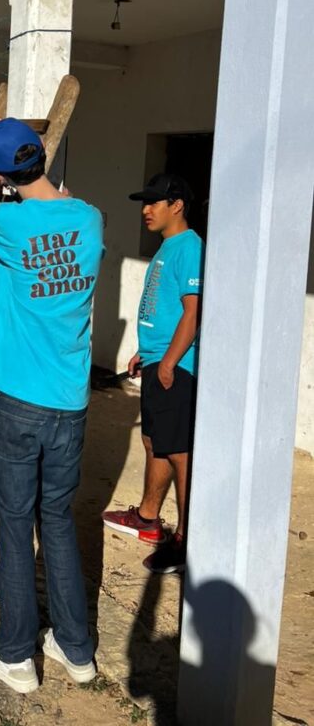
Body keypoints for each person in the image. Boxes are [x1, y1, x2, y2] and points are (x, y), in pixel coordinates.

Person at [0, 118, 104, 694]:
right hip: (69, 403)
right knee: (59, 522)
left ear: (3, 173)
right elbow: (64, 211)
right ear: (42, 156)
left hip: (18, 401)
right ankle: (76, 650)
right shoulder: (89, 218)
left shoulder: (6, 223)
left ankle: (16, 654)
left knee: (15, 526)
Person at [102, 173, 204, 574]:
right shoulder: (168, 246)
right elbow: (164, 309)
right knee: (153, 442)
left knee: (179, 452)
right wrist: (144, 354)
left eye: (154, 202)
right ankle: (148, 518)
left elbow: (193, 313)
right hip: (158, 360)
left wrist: (168, 362)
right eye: (144, 203)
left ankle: (188, 541)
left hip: (177, 366)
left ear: (177, 205)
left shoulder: (189, 247)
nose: (146, 210)